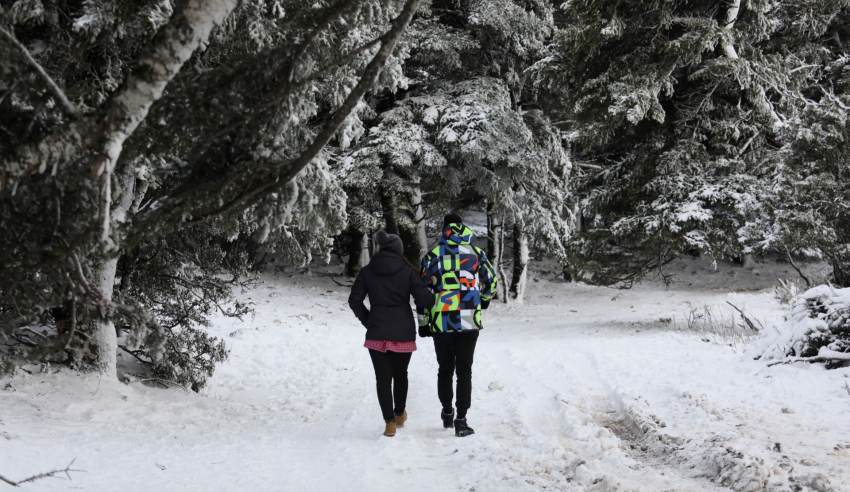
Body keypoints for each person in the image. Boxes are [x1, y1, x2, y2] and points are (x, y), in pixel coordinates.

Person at [348, 230, 434, 437]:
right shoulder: (408, 271)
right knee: (401, 374)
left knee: (382, 379)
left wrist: (369, 321)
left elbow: (354, 301)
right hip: (403, 332)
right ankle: (399, 413)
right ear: (399, 250)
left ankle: (389, 423)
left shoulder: (368, 271)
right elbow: (427, 301)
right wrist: (428, 285)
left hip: (377, 333)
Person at [419, 213, 497, 437]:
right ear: (462, 228)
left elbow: (422, 291)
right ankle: (462, 419)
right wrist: (482, 302)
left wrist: (423, 322)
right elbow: (491, 280)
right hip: (469, 319)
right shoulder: (476, 253)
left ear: (444, 229)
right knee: (465, 371)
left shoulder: (433, 255)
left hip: (441, 320)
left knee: (445, 369)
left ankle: (446, 412)